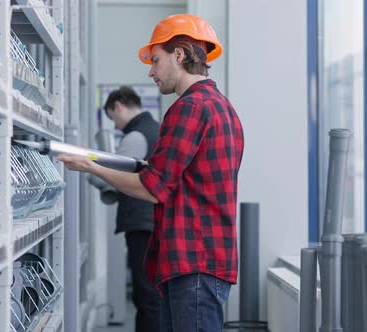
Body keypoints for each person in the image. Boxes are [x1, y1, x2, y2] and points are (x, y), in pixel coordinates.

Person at [59, 13, 244, 332]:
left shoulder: (189, 108)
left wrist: (90, 166)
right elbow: (187, 178)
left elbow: (151, 188)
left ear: (180, 55)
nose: (151, 71)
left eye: (155, 60)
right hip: (205, 261)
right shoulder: (222, 107)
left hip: (192, 263)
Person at [89, 86, 161, 332]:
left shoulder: (135, 136)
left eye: (113, 118)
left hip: (142, 223)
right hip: (155, 219)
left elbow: (113, 176)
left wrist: (90, 168)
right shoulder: (157, 129)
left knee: (146, 295)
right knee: (153, 293)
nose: (117, 126)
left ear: (118, 106)